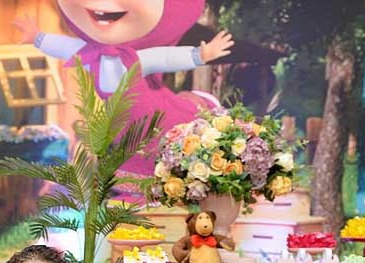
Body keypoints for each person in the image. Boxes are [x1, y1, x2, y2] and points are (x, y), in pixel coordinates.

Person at [15, 1, 233, 176]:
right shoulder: (90, 55)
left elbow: (165, 58)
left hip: (155, 119)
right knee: (130, 154)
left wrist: (200, 55)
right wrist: (38, 38)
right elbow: (64, 46)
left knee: (161, 146)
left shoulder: (134, 60)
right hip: (122, 126)